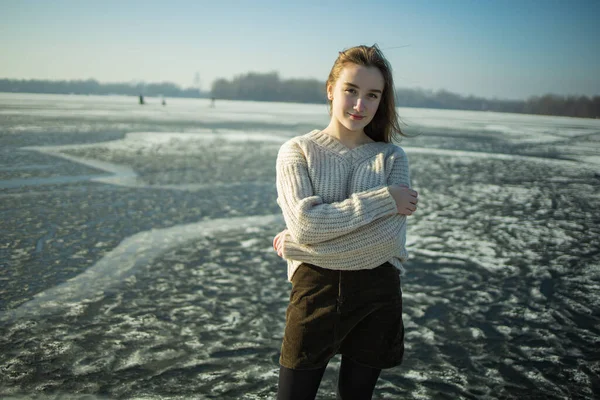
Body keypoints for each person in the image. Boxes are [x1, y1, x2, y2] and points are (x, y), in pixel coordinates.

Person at [272, 44, 419, 400]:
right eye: (351, 91)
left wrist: (297, 246)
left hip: (377, 296)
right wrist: (385, 199)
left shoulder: (391, 157)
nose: (360, 105)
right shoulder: (297, 151)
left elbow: (387, 243)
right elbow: (307, 224)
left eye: (372, 95)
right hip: (315, 292)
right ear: (330, 89)